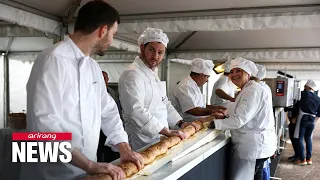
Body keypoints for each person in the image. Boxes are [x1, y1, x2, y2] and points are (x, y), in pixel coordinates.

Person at [21, 1, 143, 180]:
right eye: (113, 34)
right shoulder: (52, 60)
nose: (112, 41)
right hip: (51, 174)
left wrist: (123, 148)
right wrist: (88, 164)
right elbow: (44, 126)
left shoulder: (93, 67)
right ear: (102, 31)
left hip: (86, 172)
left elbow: (108, 111)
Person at [118, 27, 200, 151]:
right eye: (151, 50)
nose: (155, 56)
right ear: (142, 48)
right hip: (141, 140)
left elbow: (164, 103)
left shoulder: (152, 73)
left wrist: (181, 124)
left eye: (160, 52)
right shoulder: (132, 74)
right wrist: (166, 131)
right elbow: (135, 111)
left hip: (160, 137)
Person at [209, 57, 277, 180]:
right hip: (255, 146)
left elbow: (239, 120)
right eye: (232, 71)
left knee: (251, 176)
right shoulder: (248, 89)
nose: (234, 74)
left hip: (254, 146)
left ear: (248, 73)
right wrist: (226, 113)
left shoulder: (253, 90)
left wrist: (213, 124)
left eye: (238, 71)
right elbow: (241, 109)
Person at [171, 58, 226, 122]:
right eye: (207, 77)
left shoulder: (194, 85)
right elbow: (192, 110)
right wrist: (212, 111)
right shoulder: (185, 86)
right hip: (185, 125)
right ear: (201, 75)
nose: (207, 81)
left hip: (196, 123)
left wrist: (217, 108)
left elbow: (202, 106)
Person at [97, 71, 122, 163]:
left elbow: (112, 112)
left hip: (111, 127)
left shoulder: (113, 92)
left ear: (107, 80)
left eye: (105, 78)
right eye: (101, 78)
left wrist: (124, 148)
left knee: (110, 151)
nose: (103, 80)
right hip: (98, 130)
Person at [293, 79, 320, 165]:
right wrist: (315, 120)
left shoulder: (304, 94)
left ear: (308, 87)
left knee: (299, 138)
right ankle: (309, 159)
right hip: (312, 119)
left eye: (305, 86)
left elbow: (299, 104)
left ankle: (302, 159)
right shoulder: (318, 98)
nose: (304, 87)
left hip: (303, 118)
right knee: (308, 138)